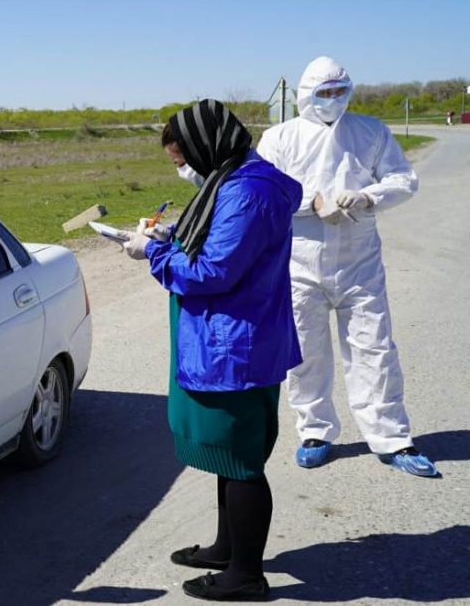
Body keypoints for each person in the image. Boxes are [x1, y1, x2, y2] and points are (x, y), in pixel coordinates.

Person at [120, 100, 302, 601]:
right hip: (231, 338)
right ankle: (227, 549)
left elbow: (212, 271)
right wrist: (171, 236)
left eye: (184, 160)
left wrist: (152, 252)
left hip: (236, 346)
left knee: (241, 461)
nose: (183, 170)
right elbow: (218, 243)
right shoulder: (233, 180)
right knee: (227, 452)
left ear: (206, 147)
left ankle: (246, 575)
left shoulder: (248, 192)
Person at [257, 56, 437, 478]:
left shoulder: (370, 131)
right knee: (306, 352)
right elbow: (262, 192)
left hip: (359, 262)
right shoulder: (280, 138)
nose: (333, 99)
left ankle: (392, 437)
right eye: (325, 93)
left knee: (375, 349)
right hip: (299, 262)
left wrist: (368, 197)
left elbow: (402, 179)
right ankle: (314, 432)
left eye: (341, 91)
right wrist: (312, 203)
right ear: (307, 95)